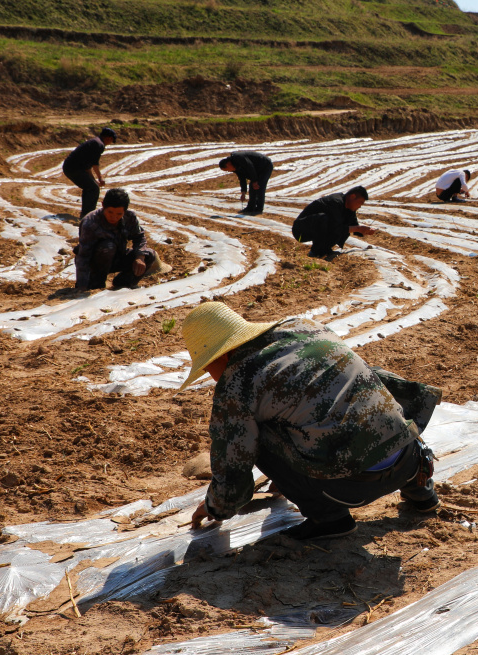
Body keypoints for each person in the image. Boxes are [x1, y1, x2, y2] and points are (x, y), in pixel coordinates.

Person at [179, 301, 441, 540]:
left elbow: (233, 470)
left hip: (348, 487)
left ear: (223, 355)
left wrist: (216, 507)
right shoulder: (304, 327)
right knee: (358, 393)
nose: (210, 375)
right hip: (408, 456)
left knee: (251, 433)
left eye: (207, 367)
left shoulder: (236, 384)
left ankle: (330, 519)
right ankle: (421, 491)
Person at [74, 188, 161, 291]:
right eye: (110, 212)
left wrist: (140, 257)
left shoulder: (130, 217)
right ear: (103, 205)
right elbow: (83, 255)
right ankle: (97, 283)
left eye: (119, 214)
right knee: (108, 247)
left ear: (125, 211)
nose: (114, 217)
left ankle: (124, 283)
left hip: (118, 256)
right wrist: (82, 284)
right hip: (96, 262)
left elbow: (139, 237)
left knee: (149, 254)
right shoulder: (90, 222)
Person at [291, 186, 375, 258]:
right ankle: (316, 252)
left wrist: (365, 230)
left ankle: (325, 250)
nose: (360, 206)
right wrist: (358, 228)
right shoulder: (335, 202)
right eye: (360, 202)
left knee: (343, 225)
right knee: (326, 220)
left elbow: (354, 225)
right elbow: (336, 228)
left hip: (314, 228)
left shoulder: (348, 208)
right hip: (301, 230)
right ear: (352, 196)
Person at [62, 128, 116, 219]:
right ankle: (88, 216)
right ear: (109, 138)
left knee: (91, 187)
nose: (110, 143)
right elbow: (94, 164)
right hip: (73, 168)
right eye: (111, 141)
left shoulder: (95, 142)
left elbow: (88, 167)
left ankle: (86, 214)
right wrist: (100, 178)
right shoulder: (99, 145)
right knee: (93, 188)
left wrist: (94, 180)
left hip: (71, 167)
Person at [219, 150, 274, 215]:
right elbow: (242, 178)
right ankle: (250, 208)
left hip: (265, 166)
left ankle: (259, 209)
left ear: (228, 164)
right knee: (252, 187)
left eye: (227, 169)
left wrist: (254, 181)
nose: (228, 171)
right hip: (256, 169)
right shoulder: (235, 166)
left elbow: (250, 166)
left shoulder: (238, 158)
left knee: (259, 186)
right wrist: (243, 192)